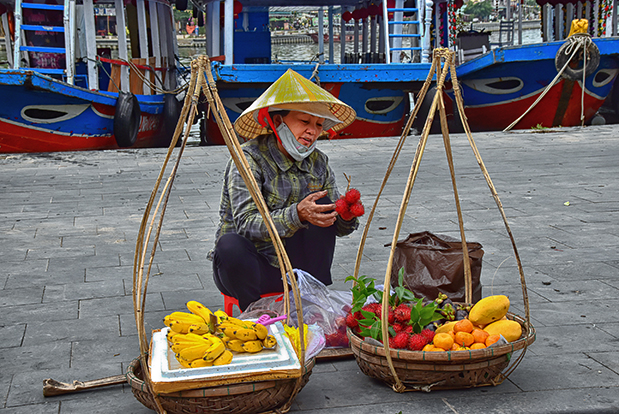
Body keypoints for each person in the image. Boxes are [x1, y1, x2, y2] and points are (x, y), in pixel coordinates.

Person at [208, 69, 358, 311]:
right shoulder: (248, 159)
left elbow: (336, 227)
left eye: (319, 124)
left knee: (322, 205)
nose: (312, 131)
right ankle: (255, 314)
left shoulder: (319, 162)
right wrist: (297, 214)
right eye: (305, 121)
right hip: (251, 268)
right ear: (278, 122)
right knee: (229, 245)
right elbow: (246, 224)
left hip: (294, 270)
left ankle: (313, 297)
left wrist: (346, 216)